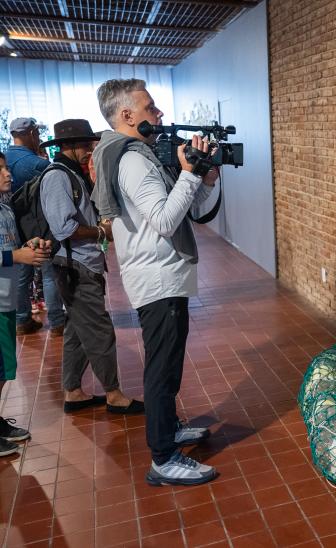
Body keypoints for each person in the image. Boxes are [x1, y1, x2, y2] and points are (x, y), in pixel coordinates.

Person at [93, 78, 217, 486]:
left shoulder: (135, 154)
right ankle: (163, 457)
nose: (159, 114)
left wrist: (202, 179)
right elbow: (165, 222)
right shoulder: (131, 159)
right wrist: (187, 173)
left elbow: (175, 210)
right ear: (126, 116)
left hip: (165, 276)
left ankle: (169, 430)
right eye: (150, 107)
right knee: (162, 369)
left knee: (169, 363)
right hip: (158, 277)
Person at [38, 119, 145, 415]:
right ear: (69, 146)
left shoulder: (71, 173)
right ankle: (114, 394)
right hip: (75, 266)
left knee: (77, 330)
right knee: (99, 331)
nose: (90, 150)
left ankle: (73, 391)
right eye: (86, 145)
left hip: (82, 264)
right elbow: (64, 228)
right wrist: (101, 231)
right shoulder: (58, 177)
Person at [0, 152, 52, 456]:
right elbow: (10, 254)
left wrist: (28, 246)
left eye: (6, 168)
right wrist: (15, 257)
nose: (8, 175)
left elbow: (12, 245)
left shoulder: (5, 208)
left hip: (6, 300)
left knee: (5, 369)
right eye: (1, 170)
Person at [5, 117, 66, 336]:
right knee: (48, 272)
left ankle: (22, 320)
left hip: (12, 226)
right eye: (37, 133)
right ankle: (58, 321)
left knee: (22, 273)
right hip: (38, 226)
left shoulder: (4, 159)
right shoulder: (37, 164)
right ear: (31, 134)